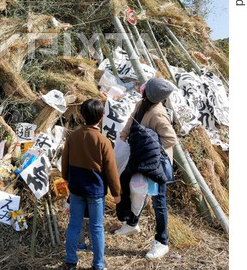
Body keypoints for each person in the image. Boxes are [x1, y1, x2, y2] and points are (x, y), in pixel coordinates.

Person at [114, 78, 178, 260]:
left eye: (145, 88)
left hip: (156, 165)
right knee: (137, 189)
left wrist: (150, 146)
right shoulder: (141, 104)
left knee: (158, 201)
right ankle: (132, 223)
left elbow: (171, 139)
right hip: (139, 158)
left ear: (148, 93)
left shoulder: (158, 114)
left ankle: (162, 241)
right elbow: (131, 121)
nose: (141, 88)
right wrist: (125, 135)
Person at [61, 98, 121, 270]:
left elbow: (64, 162)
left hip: (76, 187)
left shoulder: (73, 137)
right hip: (95, 190)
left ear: (81, 116)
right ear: (101, 118)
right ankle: (98, 264)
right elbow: (111, 169)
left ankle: (71, 261)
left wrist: (66, 178)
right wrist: (116, 193)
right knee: (96, 227)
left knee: (74, 224)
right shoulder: (103, 141)